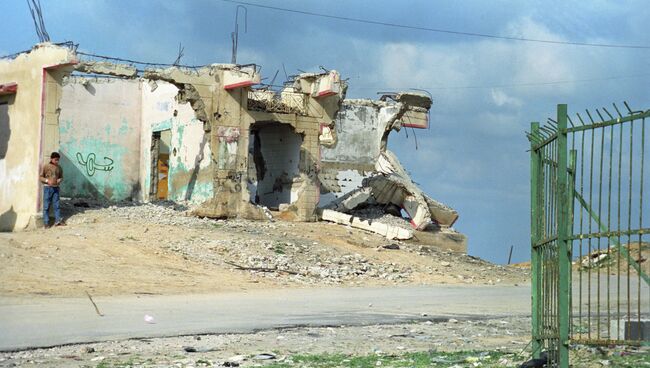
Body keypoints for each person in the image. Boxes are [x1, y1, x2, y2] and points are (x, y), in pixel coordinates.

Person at [40, 152, 65, 227]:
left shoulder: (59, 168)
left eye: (58, 160)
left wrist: (60, 180)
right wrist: (47, 181)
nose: (57, 161)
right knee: (46, 206)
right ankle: (46, 223)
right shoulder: (46, 166)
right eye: (55, 160)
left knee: (56, 205)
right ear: (51, 159)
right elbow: (41, 177)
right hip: (47, 188)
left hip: (56, 188)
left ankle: (58, 221)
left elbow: (61, 177)